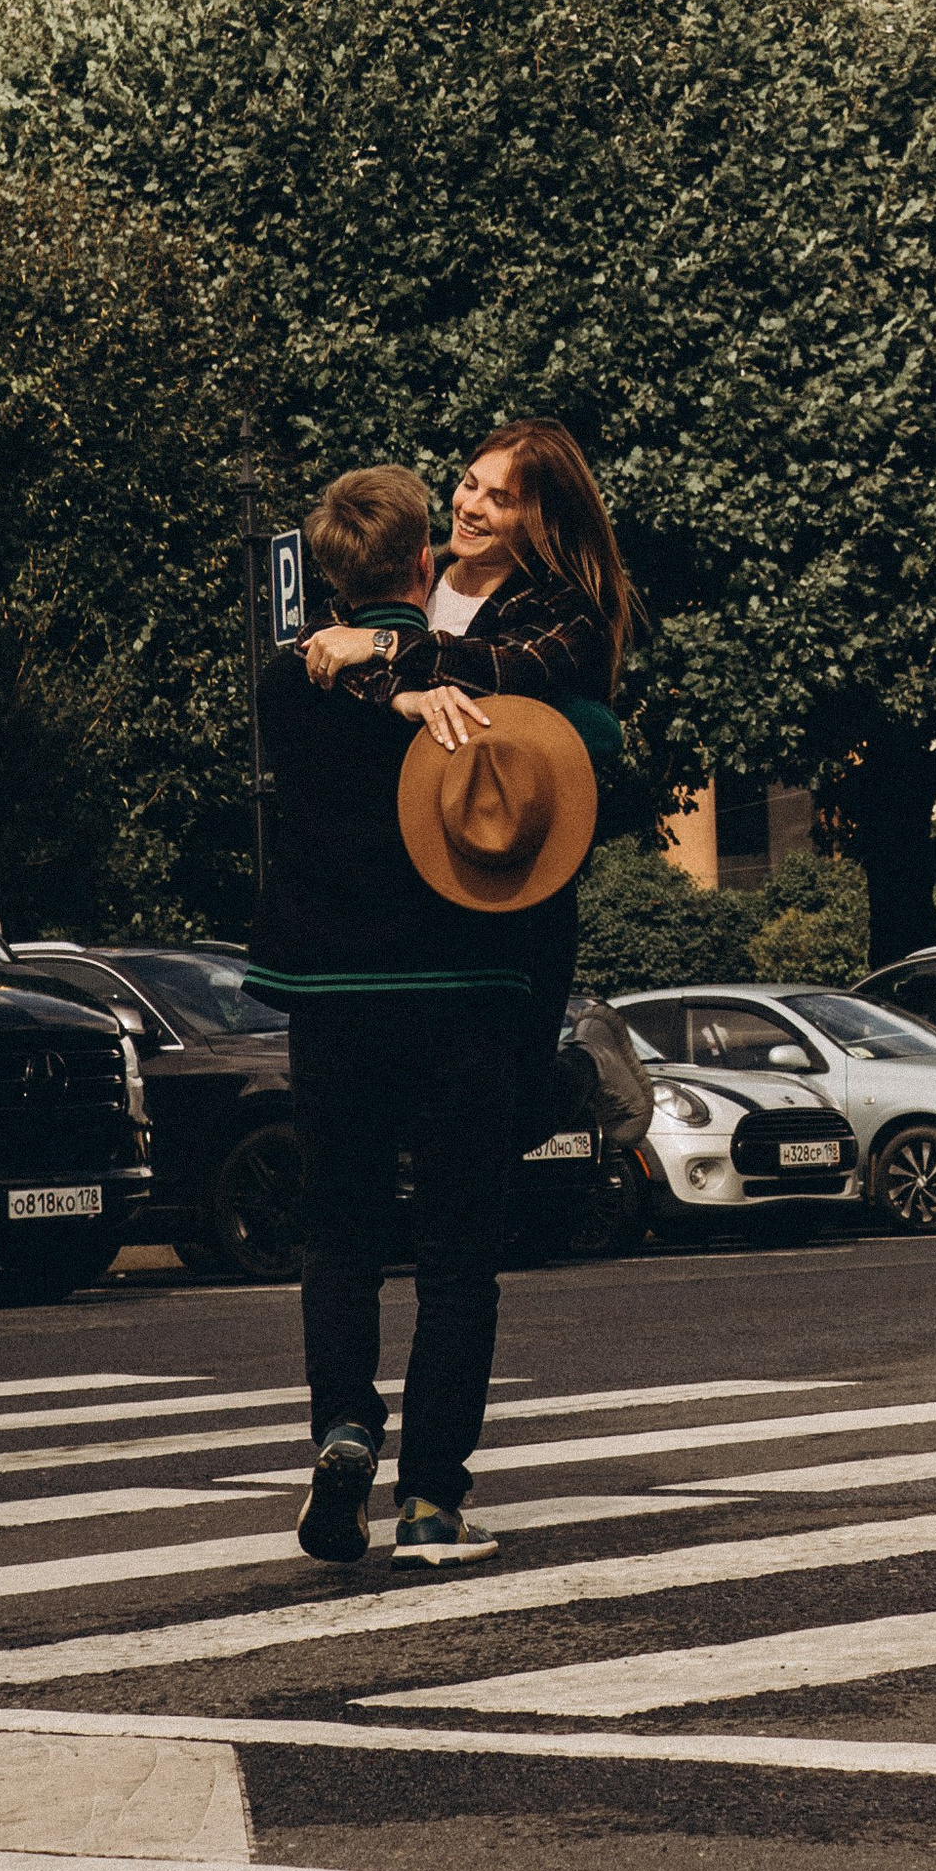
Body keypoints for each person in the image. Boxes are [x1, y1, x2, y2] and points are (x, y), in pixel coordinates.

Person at [252, 464, 595, 1575]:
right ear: (421, 567)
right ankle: (434, 1502)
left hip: (331, 1004)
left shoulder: (284, 689)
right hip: (463, 999)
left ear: (330, 581)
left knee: (338, 1235)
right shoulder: (486, 706)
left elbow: (301, 673)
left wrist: (377, 679)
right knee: (457, 1261)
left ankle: (343, 1427)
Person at [306, 421, 636, 1065]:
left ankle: (587, 1072)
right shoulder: (413, 567)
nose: (470, 505)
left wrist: (381, 645)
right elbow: (317, 642)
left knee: (513, 1101)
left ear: (541, 519)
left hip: (511, 880)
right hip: (405, 891)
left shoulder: (568, 607)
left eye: (500, 499)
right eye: (468, 483)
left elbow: (508, 669)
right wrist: (393, 692)